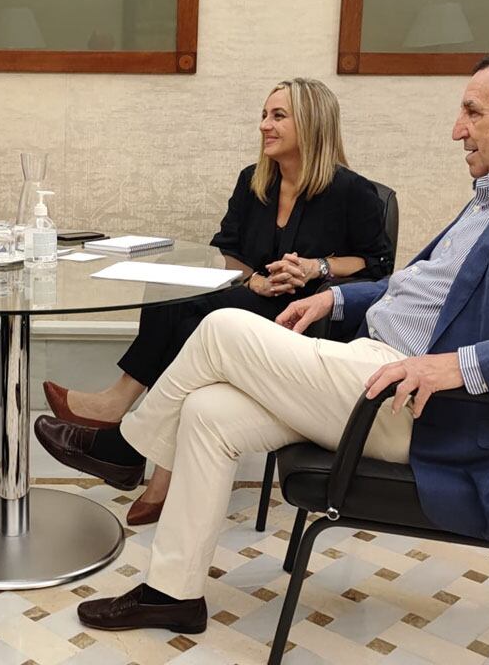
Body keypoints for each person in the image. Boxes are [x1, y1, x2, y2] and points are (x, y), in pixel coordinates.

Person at [34, 45, 489, 633]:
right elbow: (421, 289)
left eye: (472, 111)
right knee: (207, 412)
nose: (457, 130)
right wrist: (337, 295)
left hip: (425, 407)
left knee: (222, 326)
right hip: (370, 368)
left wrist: (461, 367)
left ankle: (124, 447)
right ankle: (174, 594)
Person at [42, 78, 392, 526]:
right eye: (264, 115)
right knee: (170, 290)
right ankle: (122, 413)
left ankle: (138, 452)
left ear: (312, 124)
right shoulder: (255, 180)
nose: (264, 125)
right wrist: (254, 281)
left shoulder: (351, 191)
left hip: (306, 315)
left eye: (278, 116)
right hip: (253, 295)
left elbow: (379, 265)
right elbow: (224, 248)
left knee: (199, 324)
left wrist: (316, 267)